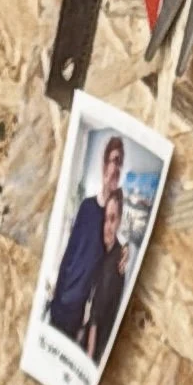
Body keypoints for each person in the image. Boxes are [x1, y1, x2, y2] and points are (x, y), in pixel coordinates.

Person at [45, 134, 125, 346]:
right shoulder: (87, 206)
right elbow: (70, 253)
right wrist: (57, 292)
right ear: (104, 164)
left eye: (120, 163)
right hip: (62, 297)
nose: (117, 168)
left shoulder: (113, 221)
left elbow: (113, 258)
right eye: (114, 160)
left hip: (79, 311)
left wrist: (125, 254)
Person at [78, 187, 128, 360]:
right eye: (105, 218)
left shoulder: (116, 264)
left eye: (113, 219)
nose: (107, 226)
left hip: (94, 349)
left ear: (120, 220)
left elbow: (96, 318)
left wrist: (88, 355)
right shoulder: (101, 248)